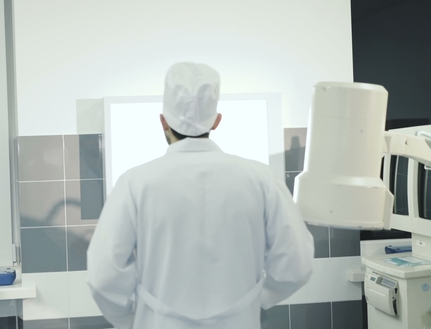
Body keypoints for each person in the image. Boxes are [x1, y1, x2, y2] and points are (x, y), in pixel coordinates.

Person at [86, 62, 314, 329]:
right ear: (217, 121)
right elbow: (297, 264)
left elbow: (103, 276)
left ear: (163, 122)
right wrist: (257, 299)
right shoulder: (260, 179)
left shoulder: (135, 183)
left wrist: (130, 319)